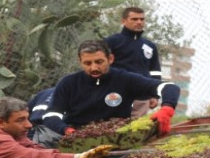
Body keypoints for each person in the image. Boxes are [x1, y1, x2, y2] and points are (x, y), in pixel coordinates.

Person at [42, 39, 180, 137]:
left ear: (110, 59)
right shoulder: (69, 83)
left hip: (116, 137)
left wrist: (167, 109)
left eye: (99, 62)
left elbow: (169, 87)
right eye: (87, 63)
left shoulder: (125, 79)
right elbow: (51, 115)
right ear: (80, 61)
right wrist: (67, 130)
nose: (94, 67)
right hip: (75, 136)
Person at [104, 7, 162, 117]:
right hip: (116, 95)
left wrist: (154, 95)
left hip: (141, 97)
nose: (139, 22)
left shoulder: (150, 46)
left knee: (135, 130)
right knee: (112, 127)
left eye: (142, 19)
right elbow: (101, 67)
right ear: (123, 21)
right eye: (134, 19)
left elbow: (155, 72)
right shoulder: (111, 42)